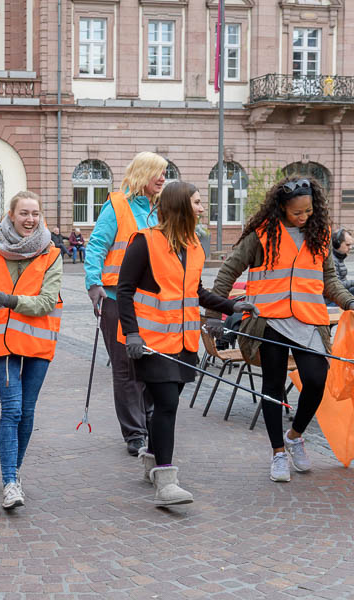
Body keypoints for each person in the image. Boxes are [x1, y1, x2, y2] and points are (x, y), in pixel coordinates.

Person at [117, 182, 256, 505]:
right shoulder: (144, 242)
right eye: (196, 202)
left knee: (164, 404)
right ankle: (166, 481)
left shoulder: (193, 245)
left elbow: (196, 292)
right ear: (180, 206)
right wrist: (132, 333)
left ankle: (152, 461)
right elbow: (124, 291)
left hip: (184, 343)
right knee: (167, 404)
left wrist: (231, 305)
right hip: (151, 344)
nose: (202, 208)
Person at [210, 176, 354, 483]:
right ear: (281, 208)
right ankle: (277, 452)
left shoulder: (320, 233)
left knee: (316, 379)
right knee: (273, 387)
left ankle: (294, 436)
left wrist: (348, 301)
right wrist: (214, 314)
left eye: (308, 211)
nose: (304, 217)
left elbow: (329, 279)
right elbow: (227, 272)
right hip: (269, 321)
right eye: (297, 212)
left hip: (309, 320)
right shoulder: (261, 235)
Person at [0, 191, 62, 510]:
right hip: (2, 344)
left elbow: (47, 301)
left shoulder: (51, 254)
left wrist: (11, 301)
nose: (30, 219)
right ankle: (9, 482)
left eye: (35, 213)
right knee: (13, 409)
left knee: (27, 411)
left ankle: (14, 472)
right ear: (11, 215)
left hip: (38, 343)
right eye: (24, 213)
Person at [84, 151, 167, 456]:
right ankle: (134, 432)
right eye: (158, 172)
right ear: (142, 173)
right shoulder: (117, 205)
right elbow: (96, 246)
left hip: (152, 302)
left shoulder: (159, 209)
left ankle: (149, 420)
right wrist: (93, 284)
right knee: (126, 367)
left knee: (151, 363)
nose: (163, 178)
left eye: (165, 173)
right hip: (116, 297)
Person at [331, 228, 354, 294]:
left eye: (351, 245)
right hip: (335, 296)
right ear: (337, 244)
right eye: (347, 245)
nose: (350, 248)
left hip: (342, 292)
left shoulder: (339, 258)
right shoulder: (332, 260)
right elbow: (336, 285)